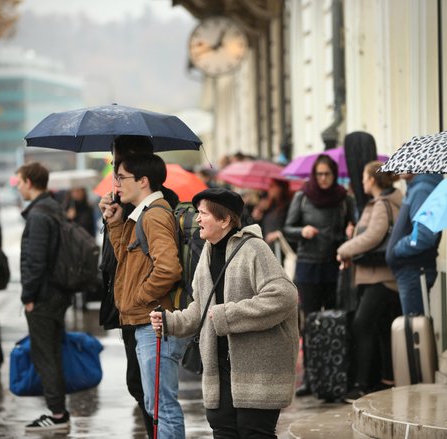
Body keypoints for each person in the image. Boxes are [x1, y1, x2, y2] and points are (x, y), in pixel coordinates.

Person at [149, 187, 299, 438]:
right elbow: (202, 308)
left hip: (256, 371)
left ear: (225, 219)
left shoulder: (254, 249)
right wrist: (170, 321)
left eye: (203, 213)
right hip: (219, 370)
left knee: (255, 433)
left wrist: (228, 316)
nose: (197, 219)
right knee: (223, 432)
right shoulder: (207, 253)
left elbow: (285, 295)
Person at [98, 138, 180, 438]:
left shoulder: (155, 213)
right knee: (150, 398)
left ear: (142, 180)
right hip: (139, 319)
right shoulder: (138, 213)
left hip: (150, 321)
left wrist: (140, 297)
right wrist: (115, 224)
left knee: (161, 405)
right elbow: (126, 261)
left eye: (121, 176)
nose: (116, 183)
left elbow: (169, 268)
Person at [283, 154, 354, 396]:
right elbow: (288, 228)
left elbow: (353, 227)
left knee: (337, 320)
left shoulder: (344, 198)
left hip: (335, 266)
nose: (324, 179)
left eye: (328, 174)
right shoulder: (303, 197)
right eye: (320, 174)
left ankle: (335, 374)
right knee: (310, 323)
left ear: (334, 175)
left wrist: (350, 230)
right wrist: (302, 231)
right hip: (308, 266)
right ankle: (311, 379)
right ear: (314, 174)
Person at [336, 161, 403, 402]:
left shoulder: (382, 204)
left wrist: (344, 249)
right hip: (375, 276)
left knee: (362, 325)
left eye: (364, 177)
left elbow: (373, 237)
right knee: (380, 329)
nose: (362, 181)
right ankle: (386, 380)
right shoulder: (379, 203)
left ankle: (363, 385)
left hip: (381, 277)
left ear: (372, 180)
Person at [15, 162, 72, 432]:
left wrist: (28, 296)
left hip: (43, 296)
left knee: (45, 355)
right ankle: (58, 411)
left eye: (19, 181)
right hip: (58, 292)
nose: (18, 186)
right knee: (52, 353)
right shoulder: (54, 208)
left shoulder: (38, 215)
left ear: (29, 181)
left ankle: (58, 415)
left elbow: (35, 262)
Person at [385, 173, 443, 316]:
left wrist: (397, 249)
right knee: (415, 330)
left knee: (415, 332)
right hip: (411, 271)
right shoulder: (416, 189)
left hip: (414, 271)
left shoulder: (422, 190)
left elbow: (424, 236)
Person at [251, 178, 293, 248]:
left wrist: (280, 233)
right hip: (268, 247)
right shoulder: (270, 206)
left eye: (272, 186)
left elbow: (291, 227)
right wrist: (258, 218)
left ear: (281, 188)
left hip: (281, 249)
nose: (269, 189)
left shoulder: (288, 206)